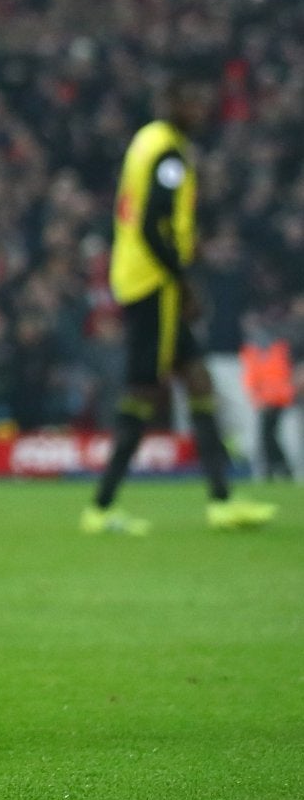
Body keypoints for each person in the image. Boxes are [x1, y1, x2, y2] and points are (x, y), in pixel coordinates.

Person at [84, 72, 275, 535]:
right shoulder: (168, 153)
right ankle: (102, 506)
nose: (201, 111)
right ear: (171, 102)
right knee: (144, 391)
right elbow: (152, 225)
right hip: (153, 286)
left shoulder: (148, 141)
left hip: (142, 279)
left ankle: (221, 500)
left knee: (198, 379)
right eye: (192, 101)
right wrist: (183, 281)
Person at [239, 317, 295, 481]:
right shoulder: (256, 353)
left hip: (276, 400)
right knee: (268, 436)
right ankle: (276, 468)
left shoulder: (276, 351)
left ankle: (278, 468)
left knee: (268, 436)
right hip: (266, 401)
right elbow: (252, 380)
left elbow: (277, 377)